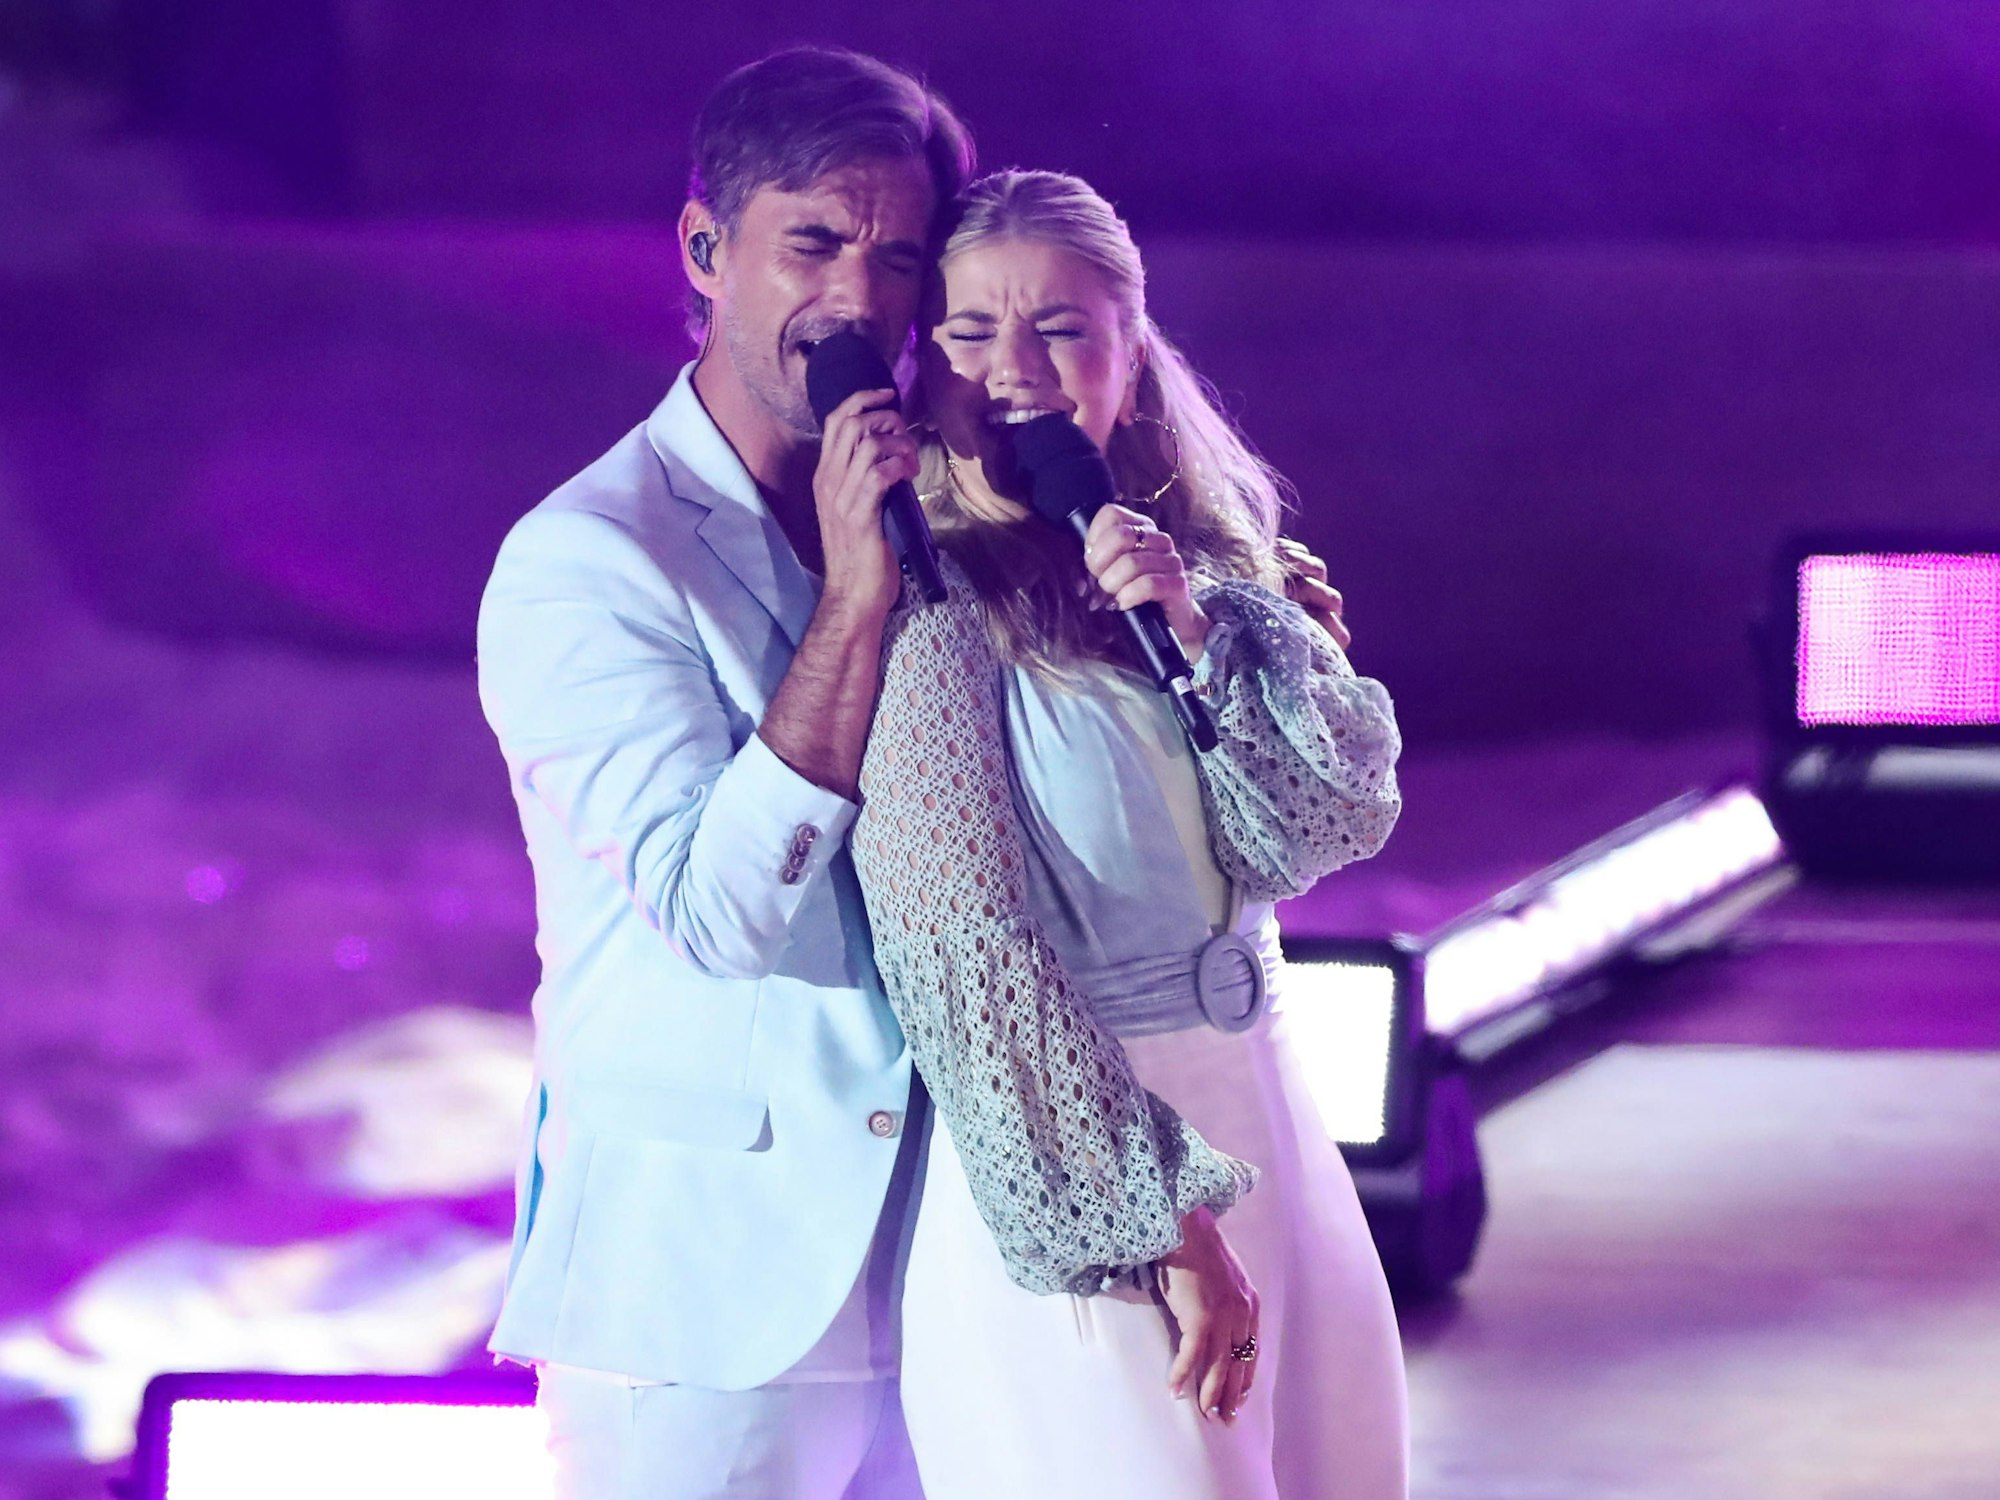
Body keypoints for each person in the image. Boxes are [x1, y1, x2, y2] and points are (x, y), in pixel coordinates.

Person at [849, 170, 1409, 1500]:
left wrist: (1214, 636)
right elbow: (964, 959)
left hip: (1273, 1121)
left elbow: (1322, 831)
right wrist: (1153, 1222)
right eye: (969, 333)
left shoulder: (1200, 574)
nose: (1011, 372)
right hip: (1087, 1157)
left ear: (1130, 354)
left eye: (1059, 329)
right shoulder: (922, 605)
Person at [474, 48, 974, 1499]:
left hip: (943, 1277)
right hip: (703, 1297)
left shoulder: (927, 516)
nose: (859, 301)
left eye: (897, 258)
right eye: (811, 242)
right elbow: (717, 914)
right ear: (705, 247)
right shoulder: (589, 557)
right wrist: (850, 605)